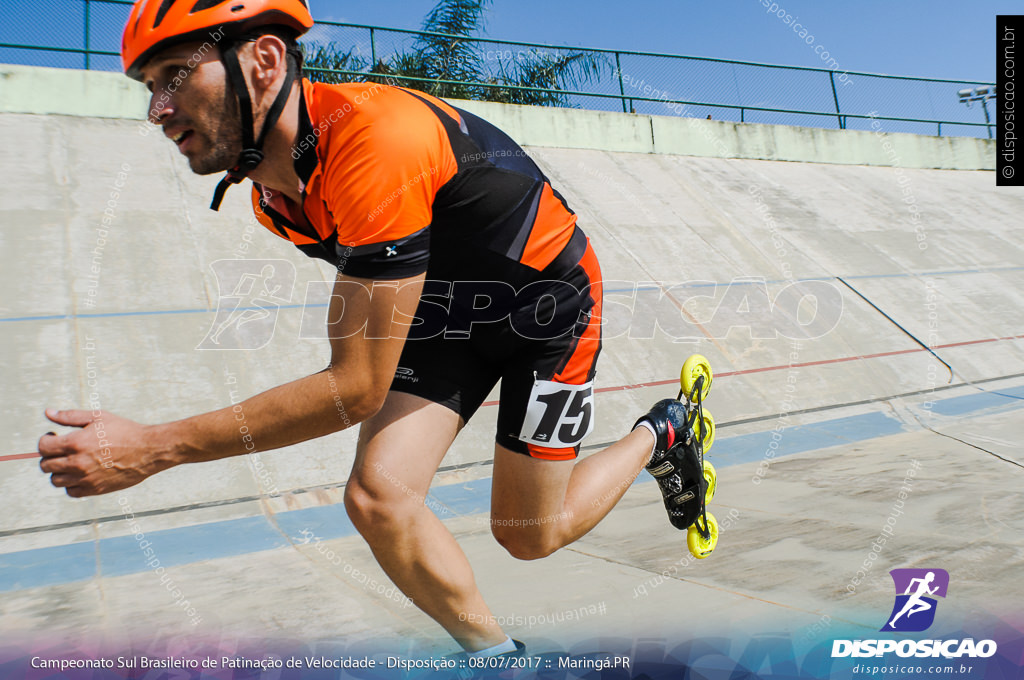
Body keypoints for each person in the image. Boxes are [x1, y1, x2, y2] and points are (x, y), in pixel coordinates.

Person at [37, 0, 700, 657]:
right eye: (150, 88)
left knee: (531, 533)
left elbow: (354, 388)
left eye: (178, 74)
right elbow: (367, 354)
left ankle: (661, 431)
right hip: (445, 316)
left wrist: (157, 447)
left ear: (264, 61)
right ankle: (497, 659)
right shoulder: (274, 198)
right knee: (380, 498)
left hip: (547, 310)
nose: (158, 108)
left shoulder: (374, 141)